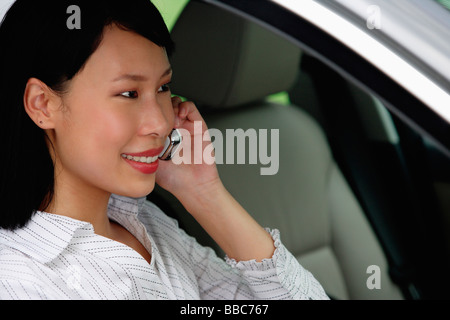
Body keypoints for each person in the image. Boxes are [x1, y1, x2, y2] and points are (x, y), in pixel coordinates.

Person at [0, 0, 329, 300]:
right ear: (42, 104)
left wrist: (205, 194)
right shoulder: (18, 280)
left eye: (163, 87)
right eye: (129, 93)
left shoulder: (147, 223)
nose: (160, 122)